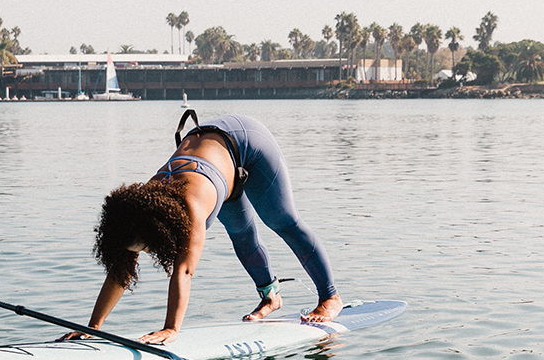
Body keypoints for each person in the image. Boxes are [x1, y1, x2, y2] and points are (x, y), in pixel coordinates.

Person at [61, 113, 341, 345]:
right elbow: (119, 273)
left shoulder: (190, 208)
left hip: (249, 144)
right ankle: (272, 297)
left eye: (143, 247)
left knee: (282, 221)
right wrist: (93, 327)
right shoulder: (136, 210)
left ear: (156, 231)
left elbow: (184, 271)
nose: (142, 253)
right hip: (215, 167)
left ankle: (330, 297)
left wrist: (171, 328)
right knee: (242, 235)